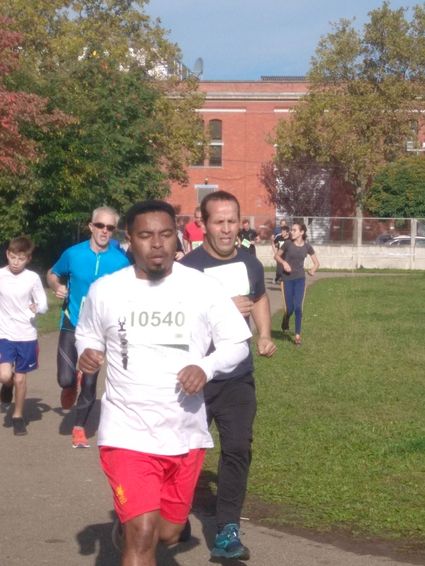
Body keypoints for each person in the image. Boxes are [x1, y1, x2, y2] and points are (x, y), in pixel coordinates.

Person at [75, 200, 251, 566]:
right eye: (146, 235)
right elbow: (87, 332)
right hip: (127, 431)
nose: (157, 244)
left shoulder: (203, 288)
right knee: (143, 534)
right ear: (129, 239)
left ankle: (125, 529)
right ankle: (133, 530)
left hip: (183, 432)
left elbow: (237, 342)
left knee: (167, 533)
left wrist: (206, 366)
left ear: (178, 237)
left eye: (166, 234)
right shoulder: (106, 290)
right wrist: (87, 351)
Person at [181, 190, 276, 560]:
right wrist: (221, 308)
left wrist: (264, 334)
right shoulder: (187, 269)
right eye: (218, 222)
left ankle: (227, 529)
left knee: (237, 448)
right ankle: (175, 514)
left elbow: (259, 297)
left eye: (231, 221)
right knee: (185, 451)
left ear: (240, 223)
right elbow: (178, 320)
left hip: (237, 376)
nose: (225, 229)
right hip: (195, 378)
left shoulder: (250, 263)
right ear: (203, 224)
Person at [47, 206, 130, 448]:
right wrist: (56, 286)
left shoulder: (120, 261)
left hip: (98, 330)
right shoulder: (73, 254)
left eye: (110, 228)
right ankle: (71, 383)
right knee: (65, 379)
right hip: (72, 322)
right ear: (91, 226)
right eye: (100, 226)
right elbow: (52, 273)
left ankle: (79, 427)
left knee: (91, 381)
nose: (105, 231)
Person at [0, 236, 48, 435]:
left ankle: (18, 416)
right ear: (7, 254)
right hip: (4, 333)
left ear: (28, 259)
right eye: (12, 257)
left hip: (26, 335)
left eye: (21, 259)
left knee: (20, 380)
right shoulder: (1, 275)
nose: (15, 262)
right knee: (4, 375)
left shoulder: (32, 278)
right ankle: (6, 386)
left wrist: (38, 308)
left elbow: (44, 304)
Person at [274, 222, 320, 345]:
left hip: (300, 279)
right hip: (287, 279)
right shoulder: (288, 244)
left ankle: (297, 335)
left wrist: (312, 270)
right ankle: (285, 320)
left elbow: (317, 263)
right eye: (292, 230)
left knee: (298, 307)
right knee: (290, 309)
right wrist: (284, 263)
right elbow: (276, 256)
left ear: (301, 232)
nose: (291, 232)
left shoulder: (307, 247)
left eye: (294, 230)